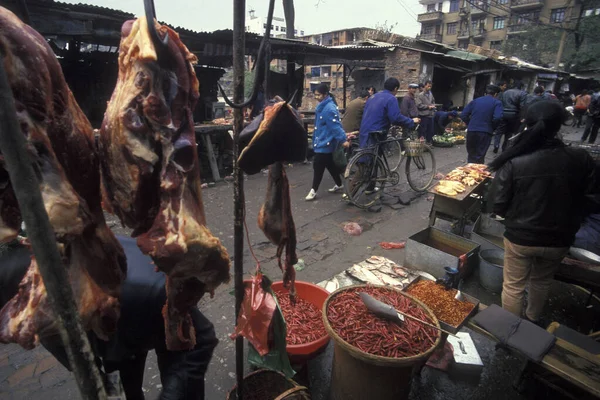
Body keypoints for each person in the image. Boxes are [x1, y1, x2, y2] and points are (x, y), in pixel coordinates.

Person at [0, 236, 218, 400]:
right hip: (120, 330)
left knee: (177, 371)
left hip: (147, 310)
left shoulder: (148, 291)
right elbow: (60, 342)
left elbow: (203, 338)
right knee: (126, 363)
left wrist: (170, 395)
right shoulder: (36, 305)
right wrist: (98, 378)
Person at [490, 100, 599, 323]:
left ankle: (510, 332)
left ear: (528, 124)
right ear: (559, 126)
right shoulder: (582, 158)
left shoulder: (515, 161)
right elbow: (593, 199)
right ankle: (532, 321)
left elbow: (497, 204)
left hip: (521, 238)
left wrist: (513, 216)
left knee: (513, 285)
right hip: (559, 239)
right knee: (541, 281)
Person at [306, 83, 349, 201]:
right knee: (329, 164)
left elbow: (335, 126)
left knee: (318, 165)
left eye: (318, 95)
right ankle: (339, 184)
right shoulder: (323, 106)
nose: (316, 97)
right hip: (322, 140)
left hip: (326, 142)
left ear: (325, 95)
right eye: (315, 95)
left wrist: (343, 140)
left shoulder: (328, 108)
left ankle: (313, 190)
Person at [359, 77, 420, 149]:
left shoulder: (373, 96)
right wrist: (411, 121)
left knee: (365, 155)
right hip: (376, 132)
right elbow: (395, 118)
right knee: (373, 156)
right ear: (395, 88)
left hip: (364, 130)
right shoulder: (391, 98)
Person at [460, 85, 503, 164]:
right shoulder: (497, 103)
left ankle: (469, 172)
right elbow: (498, 118)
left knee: (471, 155)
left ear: (485, 93)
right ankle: (476, 174)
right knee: (480, 156)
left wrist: (470, 124)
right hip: (485, 132)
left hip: (472, 131)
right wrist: (492, 127)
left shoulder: (475, 101)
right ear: (496, 94)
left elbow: (463, 115)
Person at [494, 81, 527, 154]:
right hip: (513, 115)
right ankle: (504, 148)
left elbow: (500, 102)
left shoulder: (505, 92)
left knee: (499, 131)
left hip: (503, 113)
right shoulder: (522, 93)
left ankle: (496, 145)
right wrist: (522, 117)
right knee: (508, 132)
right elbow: (522, 106)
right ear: (521, 87)